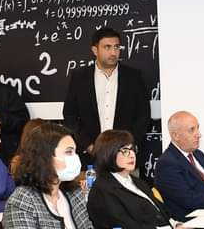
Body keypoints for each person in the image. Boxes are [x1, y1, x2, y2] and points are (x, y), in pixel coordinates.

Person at [62, 27, 150, 165]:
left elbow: (143, 115)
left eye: (116, 47)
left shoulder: (133, 77)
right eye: (107, 47)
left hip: (125, 156)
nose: (113, 52)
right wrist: (89, 146)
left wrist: (128, 146)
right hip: (90, 157)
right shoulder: (80, 78)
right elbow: (70, 115)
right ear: (95, 50)